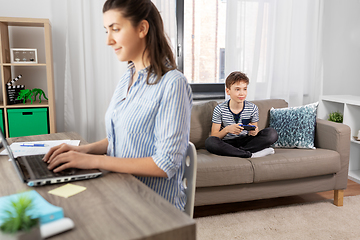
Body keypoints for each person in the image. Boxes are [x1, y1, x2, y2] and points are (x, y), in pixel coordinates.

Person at [43, 0, 192, 211]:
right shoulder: (127, 77)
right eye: (106, 30)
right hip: (120, 189)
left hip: (153, 207)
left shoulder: (173, 83)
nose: (108, 40)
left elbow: (165, 164)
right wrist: (82, 151)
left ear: (142, 28)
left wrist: (95, 161)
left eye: (115, 29)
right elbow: (120, 135)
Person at [205, 71, 277, 158]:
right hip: (227, 143)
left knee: (272, 133)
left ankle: (239, 152)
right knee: (210, 142)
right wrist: (227, 129)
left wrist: (253, 132)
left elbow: (254, 132)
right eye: (237, 89)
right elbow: (214, 136)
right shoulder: (219, 109)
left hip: (246, 141)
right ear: (228, 91)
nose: (242, 93)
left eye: (245, 89)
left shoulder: (253, 108)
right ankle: (249, 154)